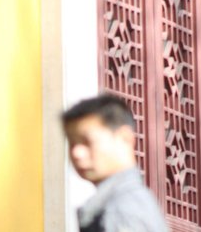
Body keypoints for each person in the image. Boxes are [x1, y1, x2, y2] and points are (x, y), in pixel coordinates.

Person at [61, 93, 167, 232]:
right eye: (72, 143)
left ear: (125, 138)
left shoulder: (125, 209)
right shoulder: (119, 203)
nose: (77, 153)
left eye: (87, 142)